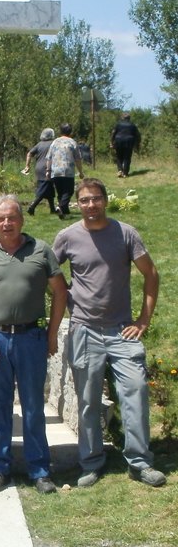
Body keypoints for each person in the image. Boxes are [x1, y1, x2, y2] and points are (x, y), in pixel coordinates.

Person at [52, 178, 166, 488]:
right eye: (84, 200)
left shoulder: (125, 233)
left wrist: (143, 319)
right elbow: (47, 272)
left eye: (96, 199)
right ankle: (91, 462)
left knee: (137, 389)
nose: (91, 205)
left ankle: (139, 462)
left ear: (105, 199)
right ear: (78, 203)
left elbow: (151, 274)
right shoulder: (67, 237)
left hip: (121, 331)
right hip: (84, 330)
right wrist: (61, 294)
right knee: (88, 401)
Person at [0, 195, 67, 494]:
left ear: (21, 219)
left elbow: (60, 294)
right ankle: (1, 467)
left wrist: (51, 335)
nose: (7, 223)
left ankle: (39, 470)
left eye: (12, 217)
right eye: (0, 219)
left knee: (33, 406)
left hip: (30, 339)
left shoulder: (41, 251)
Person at [45, 123, 84, 219]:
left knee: (60, 192)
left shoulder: (54, 142)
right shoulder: (72, 142)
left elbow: (49, 158)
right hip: (68, 170)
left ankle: (64, 212)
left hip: (56, 171)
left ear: (60, 131)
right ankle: (61, 207)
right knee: (69, 191)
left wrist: (48, 170)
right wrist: (81, 171)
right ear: (70, 131)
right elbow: (77, 159)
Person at [21, 127, 56, 216]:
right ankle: (32, 207)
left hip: (38, 168)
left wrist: (27, 166)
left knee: (49, 189)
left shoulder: (39, 144)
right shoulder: (53, 143)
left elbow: (29, 154)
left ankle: (52, 209)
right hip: (48, 168)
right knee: (44, 188)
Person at [110, 112, 141, 178]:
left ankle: (120, 170)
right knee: (127, 157)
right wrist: (137, 144)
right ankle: (125, 173)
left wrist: (111, 142)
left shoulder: (118, 124)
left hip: (119, 141)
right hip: (129, 142)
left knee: (119, 156)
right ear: (129, 118)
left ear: (122, 118)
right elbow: (137, 135)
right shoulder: (133, 125)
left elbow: (113, 133)